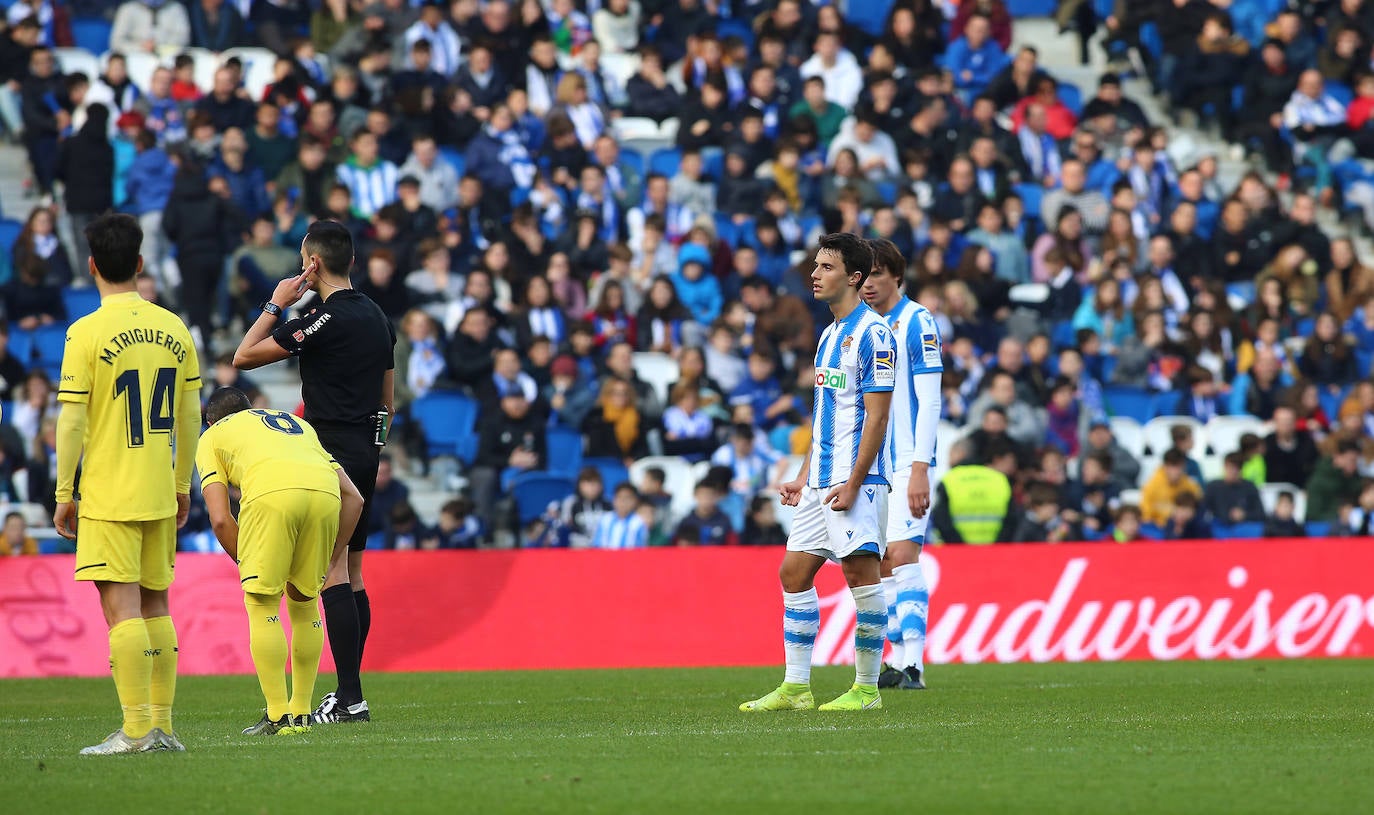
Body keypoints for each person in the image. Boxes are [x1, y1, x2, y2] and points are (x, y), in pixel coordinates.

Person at [233, 220, 395, 725]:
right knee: (354, 572)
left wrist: (276, 302)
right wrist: (372, 447)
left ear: (312, 265)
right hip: (366, 449)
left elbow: (244, 356)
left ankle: (350, 698)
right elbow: (388, 400)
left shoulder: (325, 318)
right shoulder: (375, 314)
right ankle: (350, 690)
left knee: (333, 573)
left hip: (331, 452)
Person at [54, 213, 203, 755]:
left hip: (110, 491)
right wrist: (183, 483)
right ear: (140, 265)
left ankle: (137, 730)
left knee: (122, 610)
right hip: (160, 488)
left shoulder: (85, 332)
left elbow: (71, 421)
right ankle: (162, 728)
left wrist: (64, 494)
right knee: (156, 605)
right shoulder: (174, 327)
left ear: (92, 265)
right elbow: (191, 416)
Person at [740, 233, 895, 714]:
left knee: (859, 574)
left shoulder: (874, 335)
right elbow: (825, 413)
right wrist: (803, 473)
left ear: (854, 276)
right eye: (815, 265)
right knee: (793, 573)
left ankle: (867, 689)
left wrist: (853, 482)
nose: (814, 274)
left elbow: (877, 417)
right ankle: (796, 687)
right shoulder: (828, 335)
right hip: (820, 480)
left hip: (858, 482)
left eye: (826, 267)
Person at [196, 388, 363, 736]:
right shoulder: (293, 423)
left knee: (262, 602)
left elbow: (221, 519)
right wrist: (333, 555)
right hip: (325, 495)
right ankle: (301, 714)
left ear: (210, 421)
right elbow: (355, 498)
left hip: (271, 495)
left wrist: (248, 561)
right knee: (305, 603)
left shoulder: (213, 436)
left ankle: (278, 715)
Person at [860, 238, 942, 692]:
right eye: (863, 275)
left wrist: (920, 466)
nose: (868, 283)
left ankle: (915, 665)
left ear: (896, 276)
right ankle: (897, 661)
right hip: (873, 462)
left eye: (876, 274)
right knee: (885, 562)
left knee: (905, 555)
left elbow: (930, 398)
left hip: (908, 460)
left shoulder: (917, 321)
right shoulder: (865, 327)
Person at [590, 483, 648, 550]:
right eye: (619, 497)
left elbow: (641, 549)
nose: (623, 502)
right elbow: (596, 545)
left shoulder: (638, 522)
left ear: (635, 501)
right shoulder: (605, 519)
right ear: (614, 499)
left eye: (627, 498)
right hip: (604, 558)